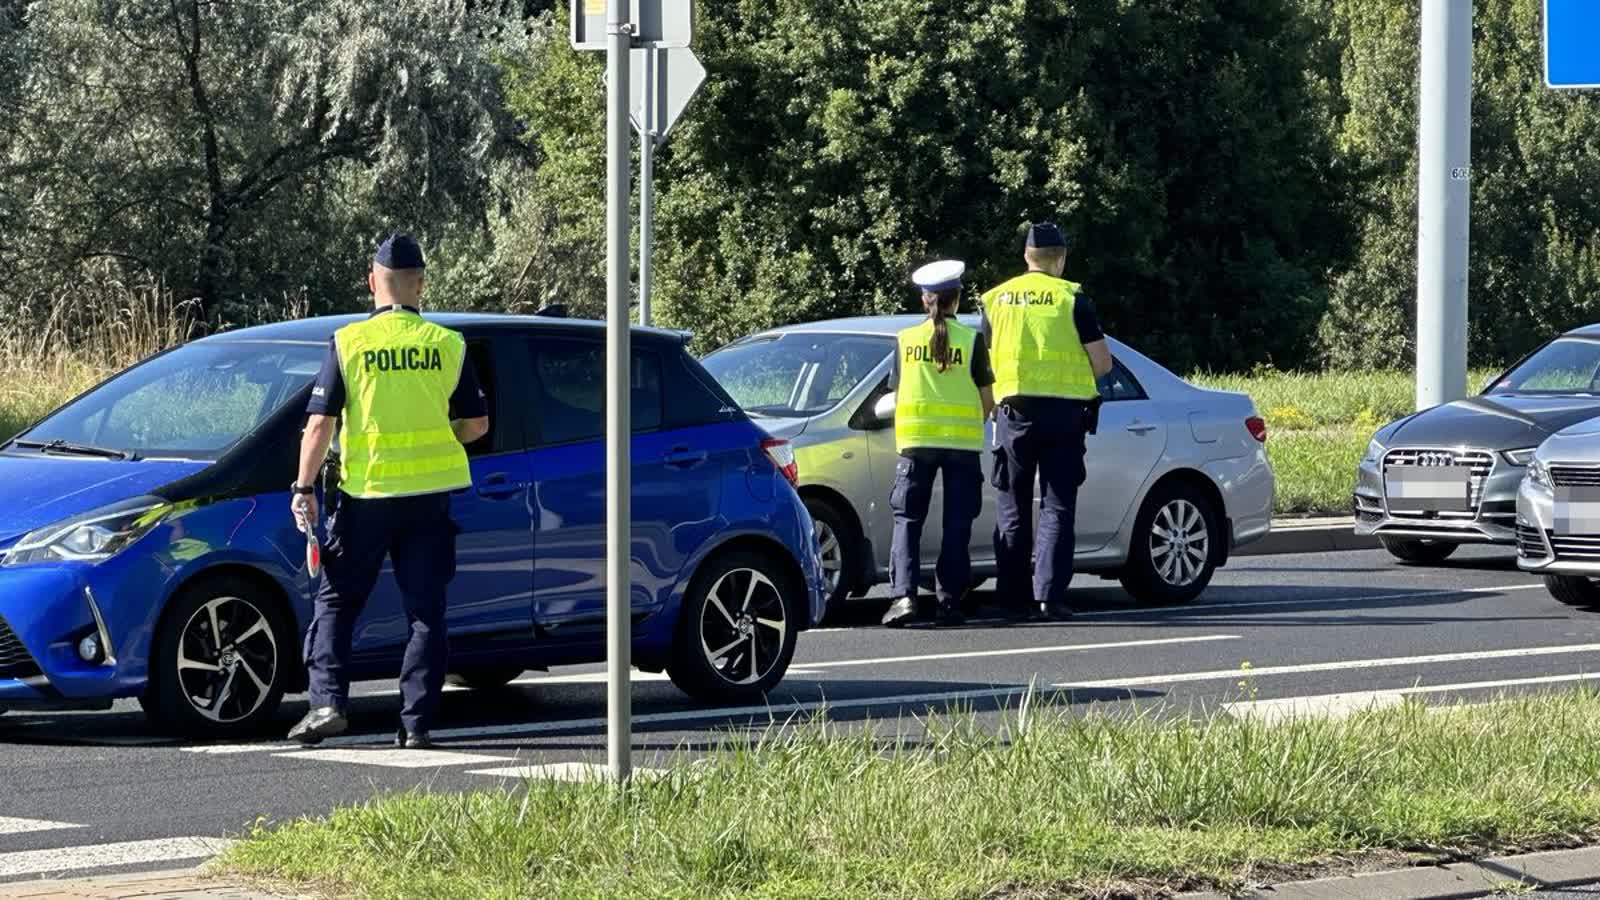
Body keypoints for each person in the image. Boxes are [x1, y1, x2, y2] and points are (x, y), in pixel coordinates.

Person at [286, 234, 490, 748]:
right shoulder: (447, 344)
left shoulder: (349, 343)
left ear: (371, 282)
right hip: (429, 499)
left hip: (367, 495)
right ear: (421, 284)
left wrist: (304, 487)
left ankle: (328, 703)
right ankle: (417, 725)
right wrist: (442, 438)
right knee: (426, 612)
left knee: (336, 602)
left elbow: (319, 426)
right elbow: (478, 424)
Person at [980, 223, 1113, 623]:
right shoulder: (1072, 299)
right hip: (1064, 416)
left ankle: (1012, 598)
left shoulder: (995, 300)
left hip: (1013, 414)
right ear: (1061, 259)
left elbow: (985, 359)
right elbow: (1103, 361)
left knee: (1013, 505)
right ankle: (1050, 597)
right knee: (1057, 506)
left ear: (1026, 256)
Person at [879, 259, 996, 628]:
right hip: (962, 447)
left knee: (908, 521)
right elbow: (987, 398)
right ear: (956, 299)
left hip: (915, 444)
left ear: (926, 300)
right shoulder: (971, 340)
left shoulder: (906, 340)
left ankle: (904, 599)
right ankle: (949, 604)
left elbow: (896, 394)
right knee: (957, 524)